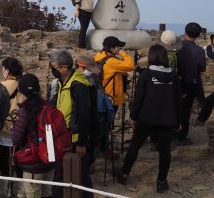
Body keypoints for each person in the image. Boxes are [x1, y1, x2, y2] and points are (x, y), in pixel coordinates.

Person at [115, 44, 181, 193]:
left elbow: (138, 98)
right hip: (167, 119)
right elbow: (178, 101)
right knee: (164, 151)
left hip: (146, 117)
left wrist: (134, 116)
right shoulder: (174, 76)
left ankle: (124, 174)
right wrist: (178, 121)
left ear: (151, 57)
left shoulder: (146, 74)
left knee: (135, 146)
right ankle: (161, 182)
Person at [49, 49, 93, 198]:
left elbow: (84, 115)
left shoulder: (78, 86)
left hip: (74, 138)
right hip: (63, 136)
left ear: (64, 67)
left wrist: (81, 142)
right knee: (63, 172)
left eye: (54, 67)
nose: (52, 70)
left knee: (81, 174)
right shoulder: (63, 82)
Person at [12, 73, 55, 198]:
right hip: (49, 158)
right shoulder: (48, 105)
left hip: (33, 162)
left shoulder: (24, 111)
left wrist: (13, 129)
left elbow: (16, 139)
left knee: (33, 194)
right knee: (47, 193)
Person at [0, 57, 23, 189]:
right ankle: (21, 188)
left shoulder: (1, 86)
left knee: (4, 157)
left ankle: (6, 187)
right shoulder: (23, 85)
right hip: (19, 128)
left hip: (3, 128)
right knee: (19, 158)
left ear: (7, 71)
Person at [75, 55, 115, 161]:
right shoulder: (77, 82)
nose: (91, 72)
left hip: (97, 112)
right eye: (88, 69)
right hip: (88, 114)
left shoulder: (92, 77)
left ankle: (91, 159)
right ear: (81, 66)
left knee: (95, 139)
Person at [175, 22, 207, 144]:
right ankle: (182, 135)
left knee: (173, 107)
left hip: (177, 82)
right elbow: (202, 68)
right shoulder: (199, 51)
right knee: (185, 110)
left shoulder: (177, 47)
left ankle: (170, 132)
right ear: (198, 35)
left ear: (185, 32)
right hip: (191, 84)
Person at [94, 36, 136, 109]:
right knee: (110, 119)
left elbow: (108, 70)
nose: (120, 49)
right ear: (111, 48)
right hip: (111, 96)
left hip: (103, 93)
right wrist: (123, 54)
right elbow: (131, 66)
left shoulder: (100, 56)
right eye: (118, 47)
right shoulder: (111, 61)